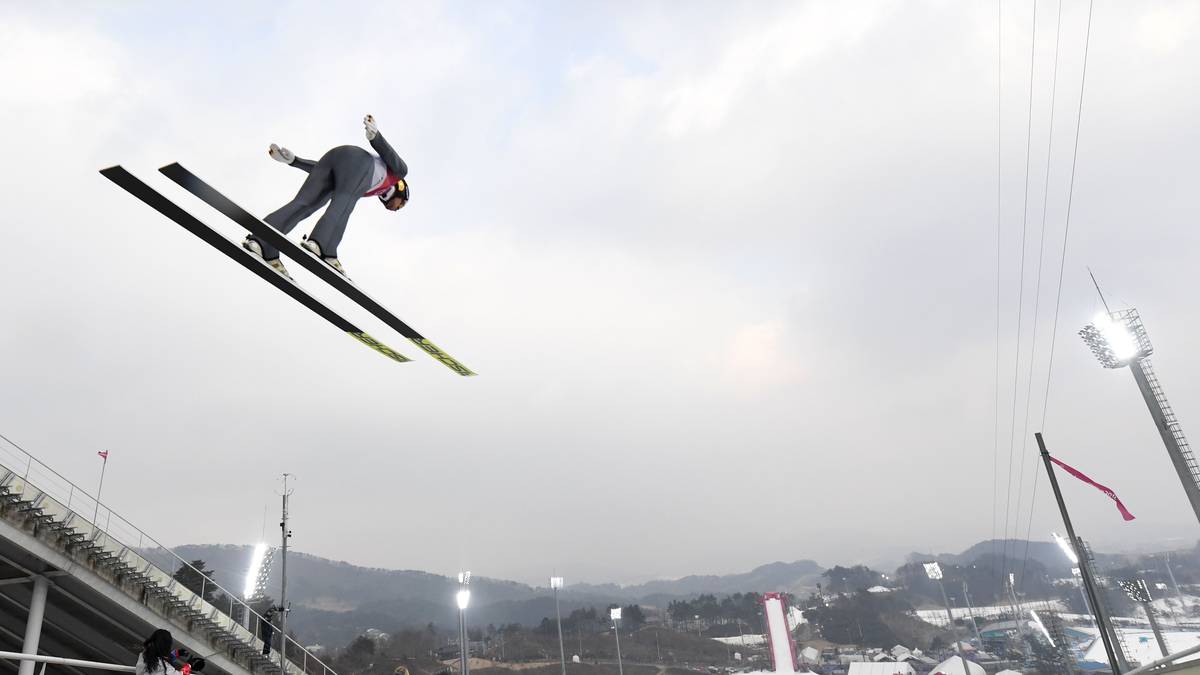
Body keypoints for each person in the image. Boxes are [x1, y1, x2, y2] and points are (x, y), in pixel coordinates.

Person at [244, 114, 410, 279]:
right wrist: (375, 137)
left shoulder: (371, 188)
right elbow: (392, 157)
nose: (396, 209)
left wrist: (295, 161)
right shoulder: (397, 174)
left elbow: (323, 170)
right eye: (401, 205)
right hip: (359, 161)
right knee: (343, 204)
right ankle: (324, 247)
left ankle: (262, 242)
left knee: (306, 203)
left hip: (334, 158)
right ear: (401, 190)